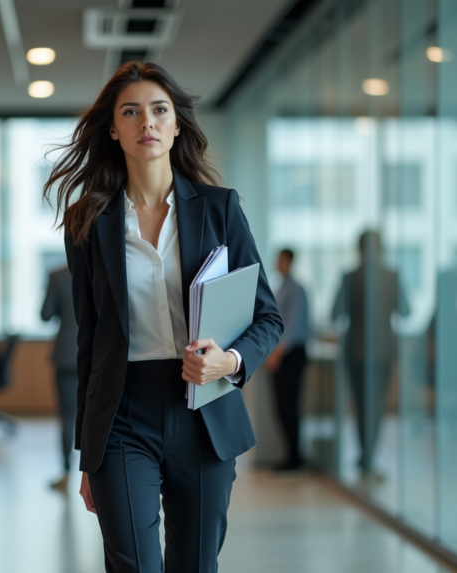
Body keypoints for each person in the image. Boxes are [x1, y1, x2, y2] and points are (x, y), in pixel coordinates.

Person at [45, 61, 283, 572]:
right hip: (121, 414)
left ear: (176, 125)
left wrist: (230, 361)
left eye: (158, 110)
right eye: (130, 112)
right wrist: (87, 456)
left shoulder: (220, 210)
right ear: (114, 129)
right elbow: (91, 342)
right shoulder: (89, 221)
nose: (145, 122)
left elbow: (267, 317)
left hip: (204, 408)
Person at [331, 230, 409, 477]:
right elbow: (406, 311)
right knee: (376, 406)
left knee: (362, 404)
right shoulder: (392, 276)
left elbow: (335, 313)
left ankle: (365, 457)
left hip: (355, 350)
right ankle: (368, 458)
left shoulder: (350, 276)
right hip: (384, 352)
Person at [265, 248, 311, 471]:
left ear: (289, 262)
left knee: (289, 407)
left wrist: (277, 353)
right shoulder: (281, 288)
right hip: (282, 354)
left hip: (291, 355)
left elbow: (291, 327)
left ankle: (295, 458)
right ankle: (290, 455)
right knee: (282, 407)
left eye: (281, 259)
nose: (278, 263)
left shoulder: (296, 290)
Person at [40, 264, 78, 492]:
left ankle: (65, 474)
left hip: (66, 356)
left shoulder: (57, 275)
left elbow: (45, 315)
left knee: (67, 417)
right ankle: (100, 475)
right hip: (99, 355)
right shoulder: (104, 267)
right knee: (103, 416)